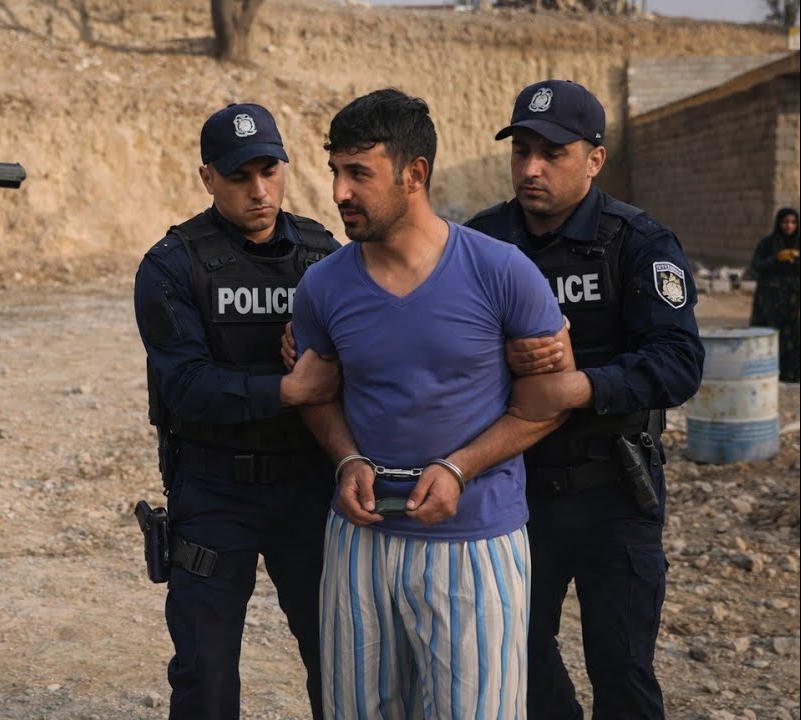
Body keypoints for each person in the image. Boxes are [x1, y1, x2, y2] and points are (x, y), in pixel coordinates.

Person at [290, 88, 575, 719]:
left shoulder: (502, 272)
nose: (338, 192)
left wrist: (458, 468)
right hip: (359, 548)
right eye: (335, 171)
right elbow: (314, 394)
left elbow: (547, 402)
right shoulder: (322, 286)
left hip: (475, 543)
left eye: (358, 173)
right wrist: (345, 460)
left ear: (414, 174)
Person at [466, 79, 705, 719]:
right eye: (521, 151)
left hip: (613, 493)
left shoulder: (638, 243)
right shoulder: (480, 243)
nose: (532, 168)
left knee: (622, 671)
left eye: (553, 153)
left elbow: (679, 363)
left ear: (594, 159)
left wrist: (579, 386)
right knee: (515, 656)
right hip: (515, 493)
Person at [132, 102, 343, 720]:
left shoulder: (322, 254)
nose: (259, 190)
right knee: (206, 673)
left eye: (269, 171)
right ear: (207, 178)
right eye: (239, 176)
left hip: (309, 487)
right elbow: (188, 388)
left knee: (339, 661)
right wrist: (290, 390)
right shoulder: (173, 264)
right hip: (214, 489)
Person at [749, 207, 799, 383]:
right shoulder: (767, 243)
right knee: (772, 335)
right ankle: (771, 373)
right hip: (772, 300)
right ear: (779, 223)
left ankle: (793, 375)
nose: (789, 226)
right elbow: (756, 265)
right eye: (785, 222)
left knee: (795, 336)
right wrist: (776, 258)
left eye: (793, 222)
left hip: (795, 301)